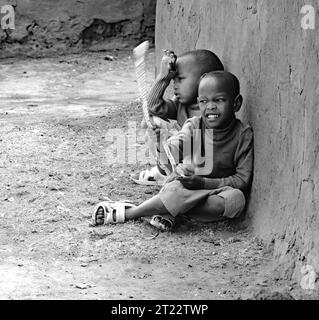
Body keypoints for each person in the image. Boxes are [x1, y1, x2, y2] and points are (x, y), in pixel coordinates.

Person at [92, 71, 254, 231]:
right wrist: (160, 142)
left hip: (216, 191)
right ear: (198, 103)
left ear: (236, 103)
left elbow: (241, 180)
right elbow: (170, 157)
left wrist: (205, 183)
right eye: (204, 101)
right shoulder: (194, 126)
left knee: (236, 200)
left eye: (218, 100)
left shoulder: (243, 134)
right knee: (176, 190)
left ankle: (166, 209)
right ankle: (131, 212)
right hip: (186, 187)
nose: (210, 106)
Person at [131, 49, 224, 185]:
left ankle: (168, 175)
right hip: (178, 153)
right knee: (150, 121)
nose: (175, 86)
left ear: (204, 80)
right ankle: (164, 172)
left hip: (198, 166)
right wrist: (164, 78)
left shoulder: (212, 112)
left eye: (180, 79)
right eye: (173, 80)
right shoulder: (182, 104)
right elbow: (152, 107)